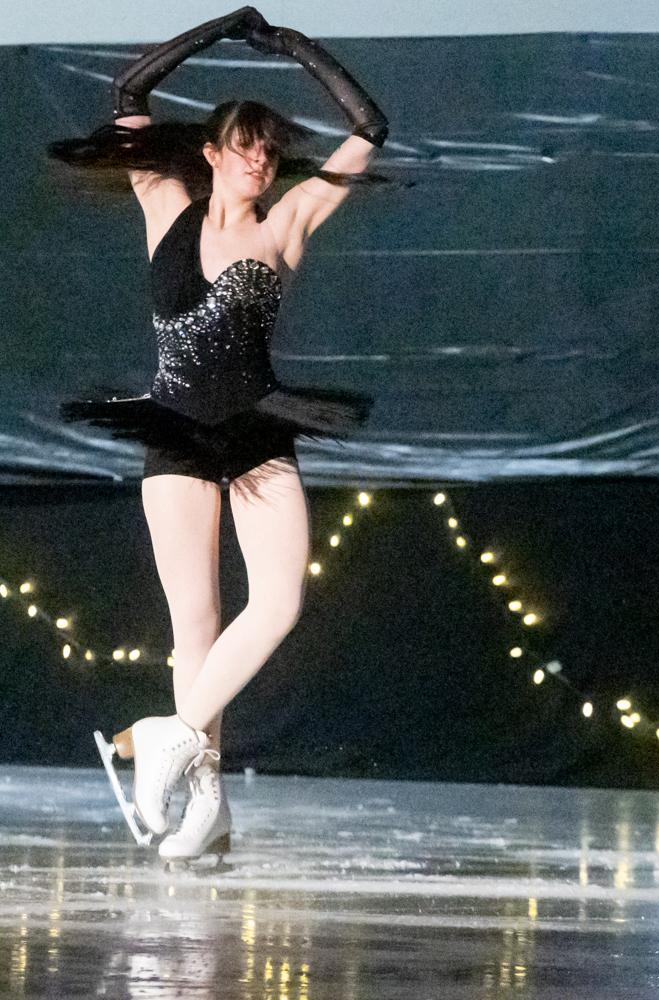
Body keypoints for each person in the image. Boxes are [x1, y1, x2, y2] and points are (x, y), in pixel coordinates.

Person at [51, 8, 388, 861]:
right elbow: (131, 91)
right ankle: (208, 809)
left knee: (278, 601)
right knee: (194, 629)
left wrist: (290, 46)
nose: (259, 160)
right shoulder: (163, 201)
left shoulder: (287, 222)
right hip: (173, 431)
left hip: (255, 433)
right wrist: (221, 28)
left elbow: (369, 128)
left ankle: (170, 735)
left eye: (268, 150)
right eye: (244, 146)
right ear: (208, 152)